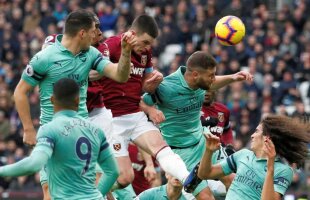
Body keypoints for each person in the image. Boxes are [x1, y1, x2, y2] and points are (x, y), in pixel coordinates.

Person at [13, 9, 134, 200]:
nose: (97, 35)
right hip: (53, 134)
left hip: (82, 132)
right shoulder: (45, 58)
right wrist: (28, 129)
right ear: (82, 33)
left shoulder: (91, 54)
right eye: (94, 30)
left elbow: (120, 75)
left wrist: (126, 53)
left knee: (99, 185)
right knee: (50, 193)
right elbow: (20, 92)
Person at [87, 14, 193, 195]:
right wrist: (109, 68)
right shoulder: (110, 46)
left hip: (135, 113)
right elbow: (92, 74)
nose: (147, 47)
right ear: (132, 34)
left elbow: (144, 83)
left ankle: (188, 178)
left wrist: (154, 81)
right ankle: (91, 194)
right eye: (145, 42)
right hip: (112, 119)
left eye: (150, 44)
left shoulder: (145, 53)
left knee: (161, 147)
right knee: (124, 178)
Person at [142, 51, 252, 199]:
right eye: (210, 75)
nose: (213, 79)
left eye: (214, 74)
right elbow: (139, 102)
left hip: (203, 141)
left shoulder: (201, 81)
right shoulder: (166, 87)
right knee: (206, 197)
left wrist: (233, 77)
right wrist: (150, 110)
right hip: (181, 152)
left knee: (233, 181)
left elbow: (212, 83)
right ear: (195, 75)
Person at [0, 78, 120, 199]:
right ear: (78, 101)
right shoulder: (96, 130)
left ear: (52, 99)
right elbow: (113, 171)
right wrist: (98, 194)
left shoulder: (49, 129)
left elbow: (34, 164)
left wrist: (2, 170)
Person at [197, 114, 310, 200]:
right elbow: (204, 174)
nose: (252, 135)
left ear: (267, 138)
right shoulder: (242, 155)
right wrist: (208, 151)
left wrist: (270, 167)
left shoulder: (284, 170)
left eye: (256, 131)